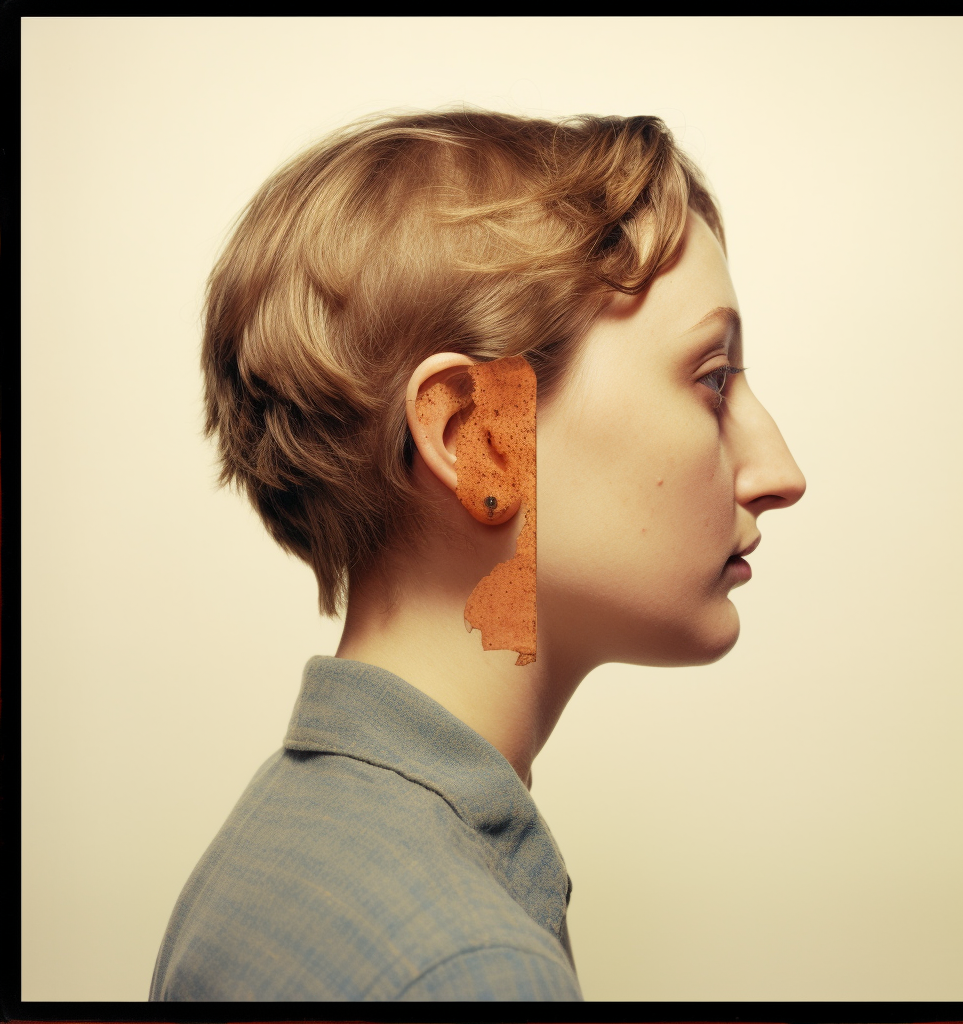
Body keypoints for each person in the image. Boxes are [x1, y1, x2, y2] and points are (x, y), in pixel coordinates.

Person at [149, 109, 806, 1002]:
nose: (779, 474)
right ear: (480, 436)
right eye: (714, 379)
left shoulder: (267, 858)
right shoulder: (470, 972)